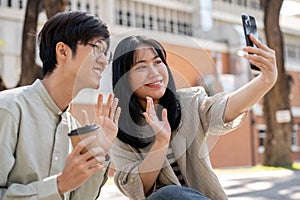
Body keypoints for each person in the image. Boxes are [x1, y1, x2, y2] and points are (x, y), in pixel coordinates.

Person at [110, 35, 277, 200]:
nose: (154, 73)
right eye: (141, 67)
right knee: (168, 194)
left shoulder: (188, 103)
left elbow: (226, 107)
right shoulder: (118, 128)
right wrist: (160, 143)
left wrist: (265, 80)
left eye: (158, 62)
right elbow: (137, 190)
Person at [0, 11, 121, 199]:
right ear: (63, 51)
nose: (104, 60)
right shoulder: (8, 109)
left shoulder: (73, 126)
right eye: (97, 48)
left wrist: (99, 153)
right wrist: (59, 184)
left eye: (106, 53)